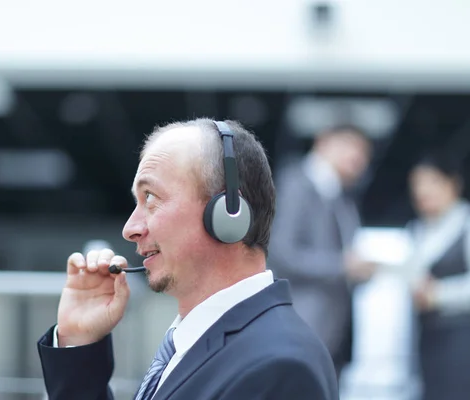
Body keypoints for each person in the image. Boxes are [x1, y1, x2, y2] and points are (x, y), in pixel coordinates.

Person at [36, 118, 339, 399]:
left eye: (150, 198)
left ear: (228, 212)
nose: (130, 229)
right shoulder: (197, 341)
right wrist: (79, 340)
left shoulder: (280, 367)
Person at [266, 125, 376, 379]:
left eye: (364, 152)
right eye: (351, 146)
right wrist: (343, 266)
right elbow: (282, 252)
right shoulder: (296, 185)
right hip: (302, 323)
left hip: (334, 330)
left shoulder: (342, 198)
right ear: (323, 142)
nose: (359, 158)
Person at [404, 155, 470, 400]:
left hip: (462, 337)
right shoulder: (418, 229)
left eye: (431, 182)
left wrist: (438, 295)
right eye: (416, 185)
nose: (422, 191)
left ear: (453, 184)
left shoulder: (465, 223)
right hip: (429, 337)